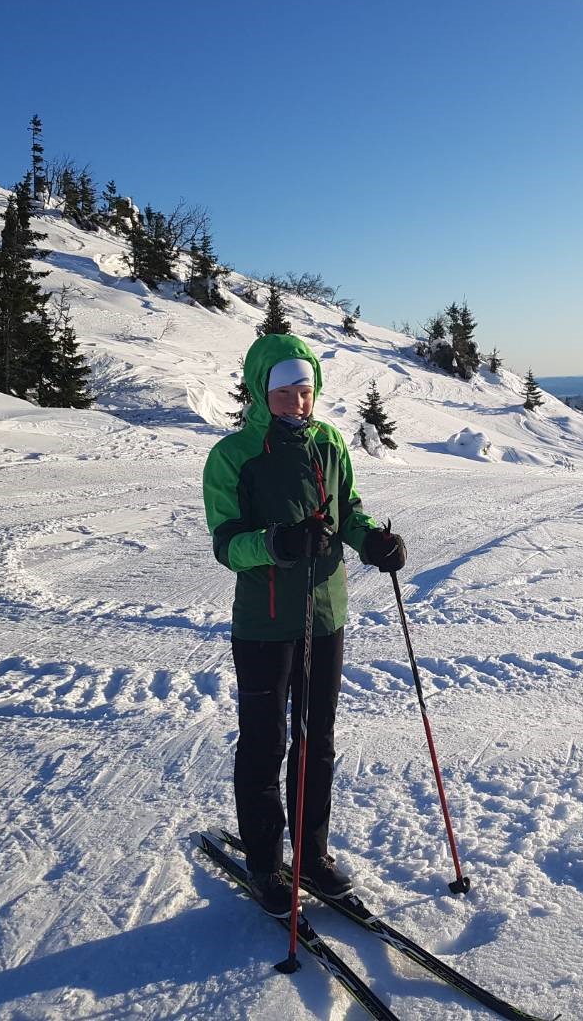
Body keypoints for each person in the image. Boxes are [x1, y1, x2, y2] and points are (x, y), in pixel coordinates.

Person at [203, 333, 406, 917]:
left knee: (318, 741)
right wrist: (276, 542)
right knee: (267, 744)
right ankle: (266, 864)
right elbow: (227, 544)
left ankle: (312, 854)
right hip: (265, 623)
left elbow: (350, 513)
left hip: (325, 615)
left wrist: (375, 542)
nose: (299, 402)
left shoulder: (331, 443)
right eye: (287, 392)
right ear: (265, 394)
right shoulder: (234, 455)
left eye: (307, 390)